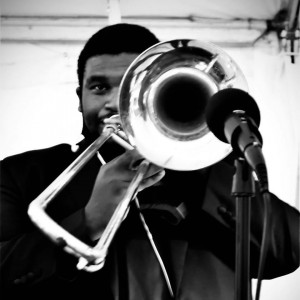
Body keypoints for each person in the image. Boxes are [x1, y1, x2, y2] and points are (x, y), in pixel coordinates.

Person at [0, 23, 299, 300]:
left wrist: (196, 165)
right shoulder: (23, 175)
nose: (114, 103)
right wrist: (88, 221)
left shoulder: (211, 171)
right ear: (80, 98)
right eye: (99, 87)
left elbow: (286, 251)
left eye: (129, 88)